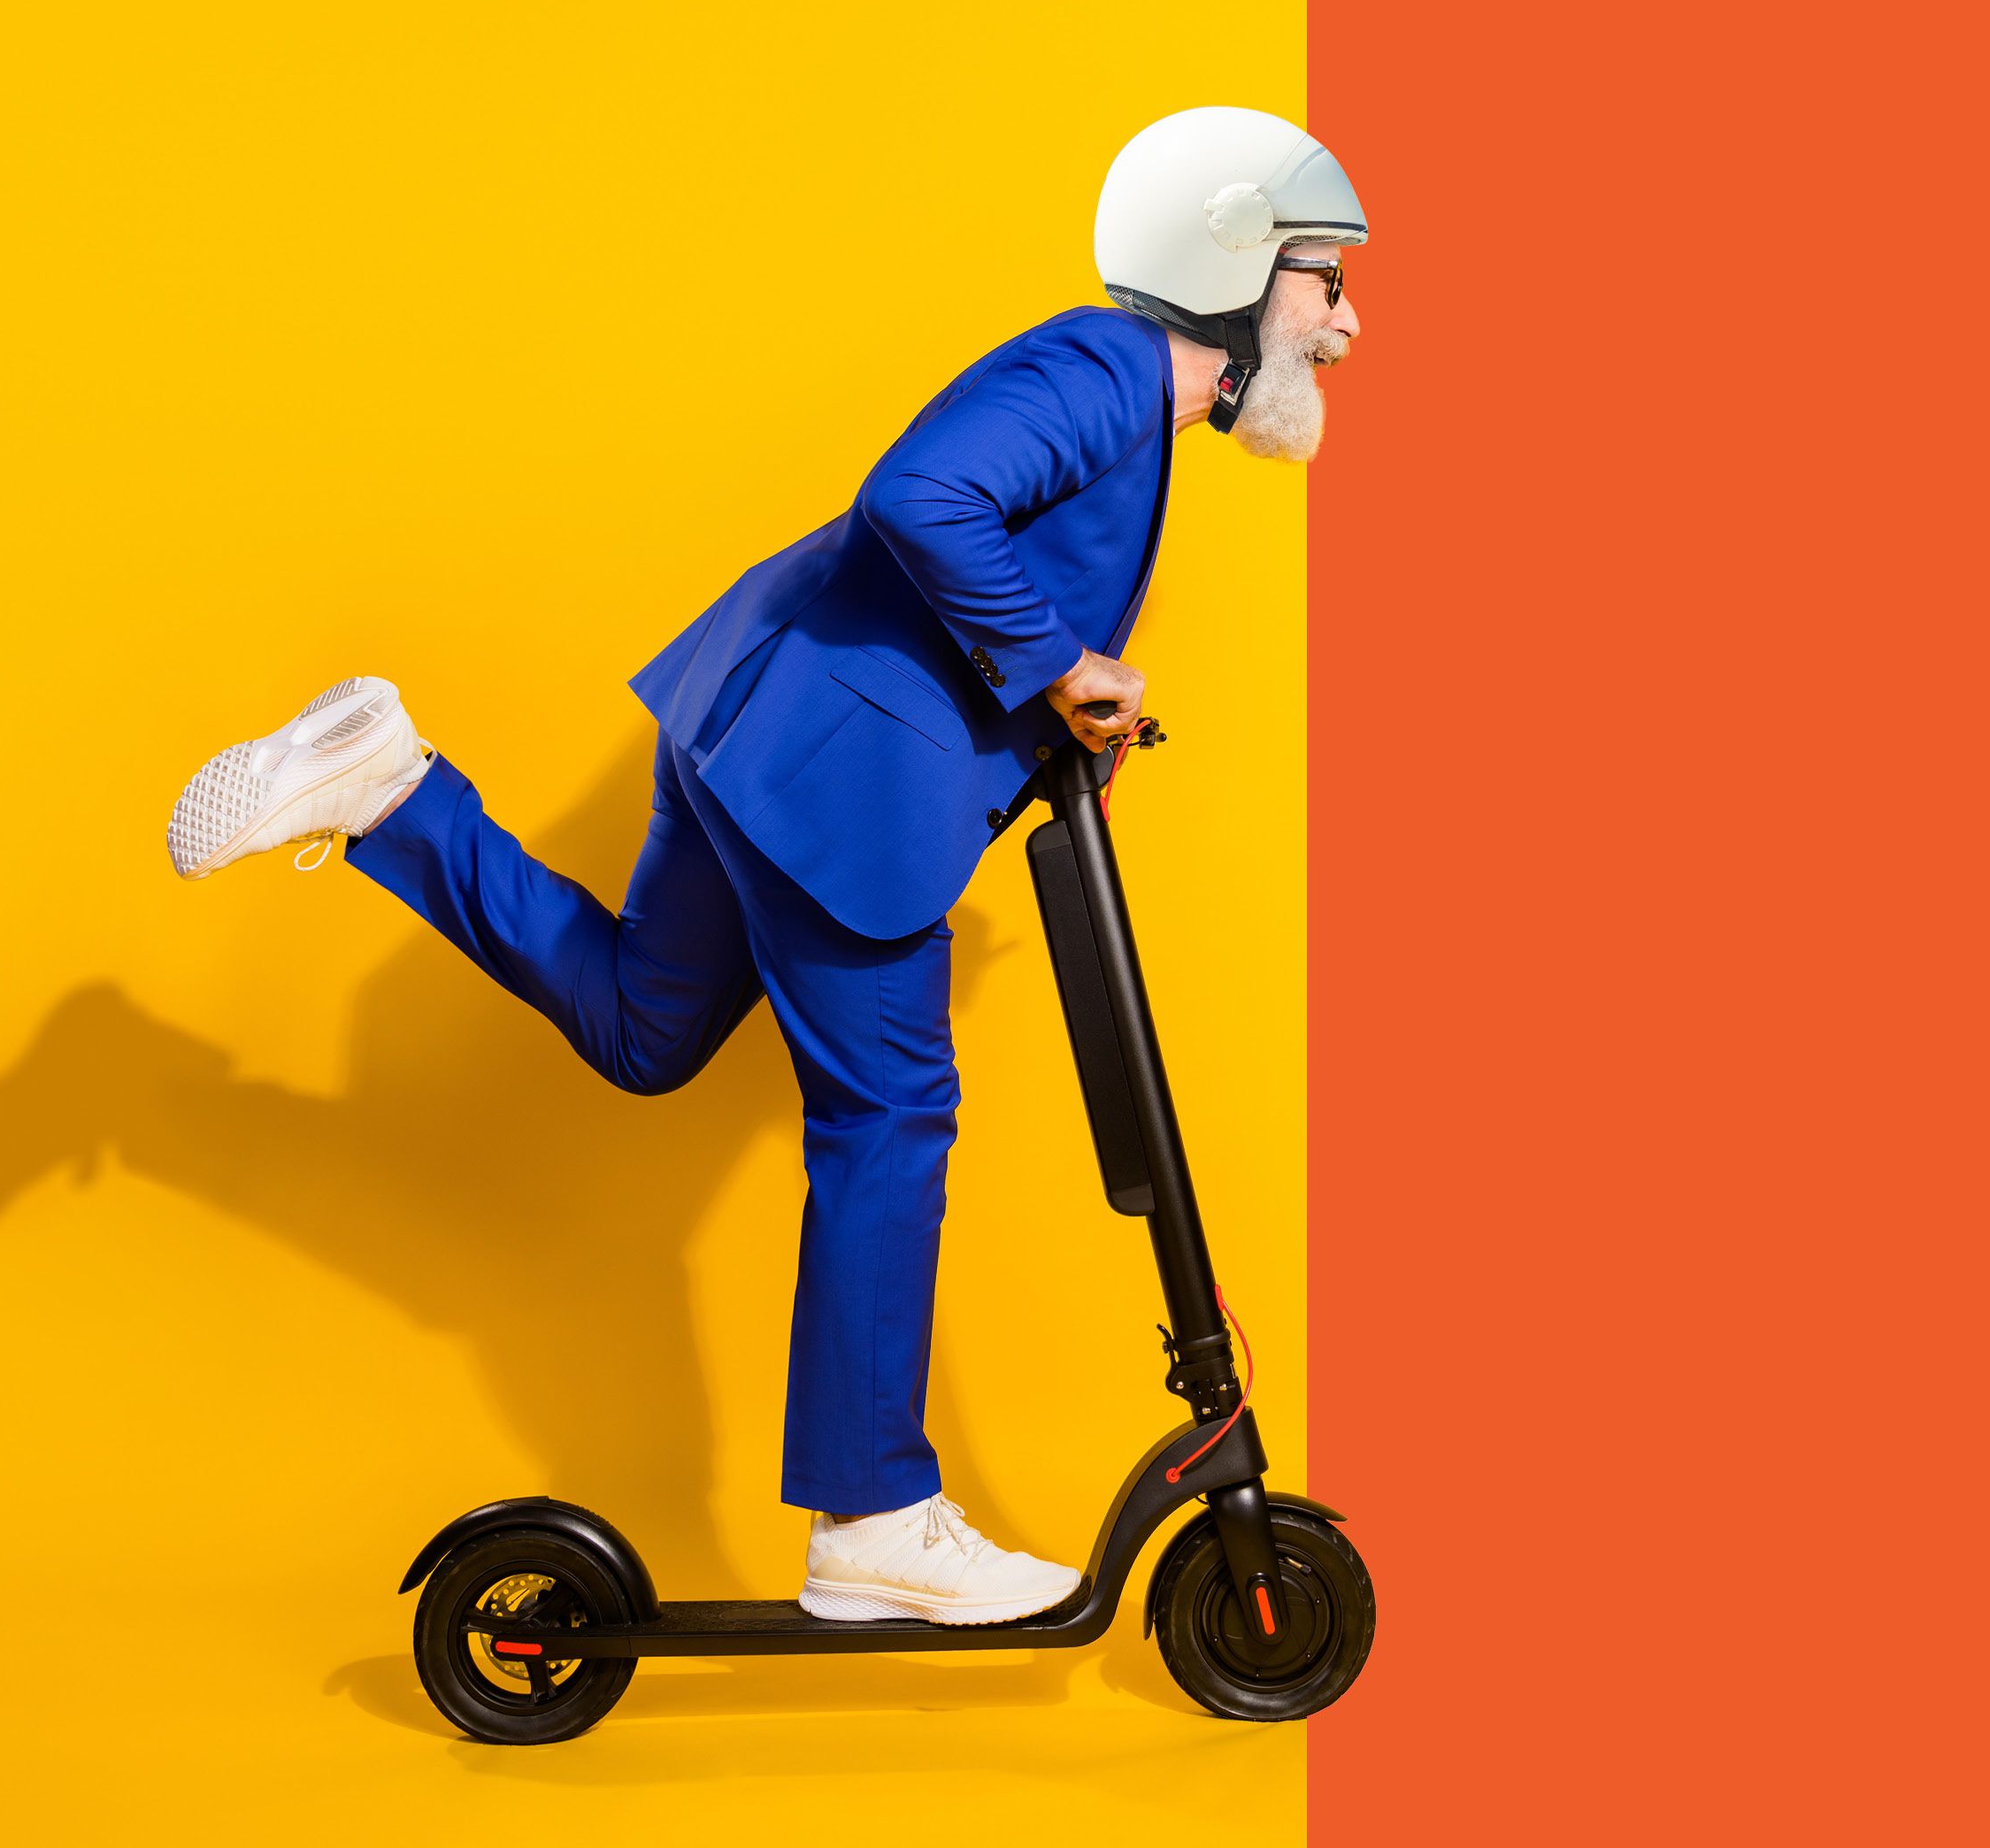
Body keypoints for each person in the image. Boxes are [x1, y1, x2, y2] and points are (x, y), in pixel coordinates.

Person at [159, 108, 1366, 1624]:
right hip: (834, 780)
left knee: (643, 1032)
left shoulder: (1127, 411)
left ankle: (391, 792)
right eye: (1324, 282)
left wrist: (1059, 710)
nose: (1345, 319)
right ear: (1236, 265)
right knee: (890, 1111)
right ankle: (873, 1513)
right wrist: (1059, 665)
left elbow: (953, 559)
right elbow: (919, 495)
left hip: (768, 728)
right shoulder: (1102, 369)